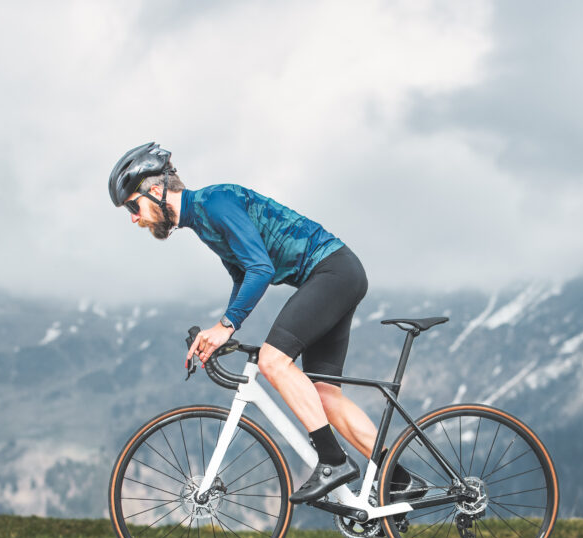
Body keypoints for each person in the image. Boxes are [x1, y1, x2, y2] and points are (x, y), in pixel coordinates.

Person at [109, 142, 419, 504]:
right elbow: (243, 276)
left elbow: (261, 268)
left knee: (274, 360)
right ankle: (400, 479)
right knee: (324, 397)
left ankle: (333, 461)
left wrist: (226, 325)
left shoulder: (214, 202)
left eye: (133, 205)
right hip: (336, 273)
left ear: (157, 190)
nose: (134, 217)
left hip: (332, 271)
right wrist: (224, 330)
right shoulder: (202, 220)